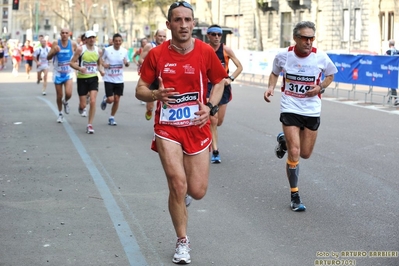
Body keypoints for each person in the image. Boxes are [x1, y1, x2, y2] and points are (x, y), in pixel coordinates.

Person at [135, 1, 227, 264]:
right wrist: (155, 93)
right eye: (178, 20)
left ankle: (185, 193)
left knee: (196, 191)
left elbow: (219, 81)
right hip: (167, 126)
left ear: (193, 23)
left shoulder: (205, 51)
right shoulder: (156, 54)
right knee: (177, 184)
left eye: (188, 20)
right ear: (169, 24)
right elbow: (140, 88)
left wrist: (209, 106)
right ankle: (182, 241)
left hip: (196, 127)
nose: (183, 25)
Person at [264, 21, 337, 212]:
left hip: (311, 110)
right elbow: (274, 73)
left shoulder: (320, 57)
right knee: (295, 153)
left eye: (312, 38)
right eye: (305, 38)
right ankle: (294, 195)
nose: (309, 41)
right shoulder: (283, 56)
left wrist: (320, 87)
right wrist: (271, 87)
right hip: (290, 107)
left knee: (305, 153)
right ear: (296, 38)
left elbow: (330, 75)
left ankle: (284, 141)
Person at [206, 24, 243, 163]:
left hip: (223, 87)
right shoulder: (204, 49)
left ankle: (209, 131)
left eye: (219, 35)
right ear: (208, 35)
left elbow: (240, 66)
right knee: (213, 120)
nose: (216, 37)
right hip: (209, 86)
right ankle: (215, 151)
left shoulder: (226, 50)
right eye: (213, 34)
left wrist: (230, 78)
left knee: (219, 121)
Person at [70, 30, 104, 134]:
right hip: (82, 79)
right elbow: (71, 63)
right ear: (86, 39)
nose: (92, 39)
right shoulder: (81, 49)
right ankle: (81, 106)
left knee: (93, 101)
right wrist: (80, 68)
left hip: (93, 78)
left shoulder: (98, 51)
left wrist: (101, 70)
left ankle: (90, 124)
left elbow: (99, 63)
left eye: (93, 37)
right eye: (90, 37)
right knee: (83, 105)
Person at [47, 28, 77, 123]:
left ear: (69, 34)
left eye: (66, 33)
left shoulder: (73, 44)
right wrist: (53, 51)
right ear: (60, 34)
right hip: (58, 73)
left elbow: (77, 55)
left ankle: (65, 101)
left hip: (68, 72)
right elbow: (48, 57)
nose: (64, 34)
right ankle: (60, 113)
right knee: (59, 95)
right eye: (62, 33)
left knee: (68, 94)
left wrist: (77, 65)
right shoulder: (56, 43)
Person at [100, 33, 130, 125]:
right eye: (116, 41)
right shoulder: (107, 50)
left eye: (119, 41)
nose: (118, 42)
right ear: (113, 41)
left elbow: (127, 63)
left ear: (121, 42)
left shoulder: (124, 51)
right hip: (109, 78)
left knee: (117, 99)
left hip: (119, 79)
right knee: (111, 99)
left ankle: (111, 117)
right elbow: (100, 59)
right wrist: (103, 64)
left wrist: (126, 63)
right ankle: (105, 100)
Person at [138, 30, 167, 120]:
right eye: (160, 36)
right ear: (155, 36)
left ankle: (164, 117)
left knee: (166, 99)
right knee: (150, 103)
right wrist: (151, 68)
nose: (162, 38)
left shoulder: (168, 46)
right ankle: (149, 110)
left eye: (164, 36)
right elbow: (140, 59)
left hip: (164, 77)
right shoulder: (149, 46)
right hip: (152, 78)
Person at [385, 39, 399, 106]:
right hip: (397, 70)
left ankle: (396, 99)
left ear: (389, 44)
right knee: (393, 85)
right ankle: (391, 98)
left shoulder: (388, 51)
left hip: (390, 70)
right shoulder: (397, 51)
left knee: (392, 85)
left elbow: (383, 59)